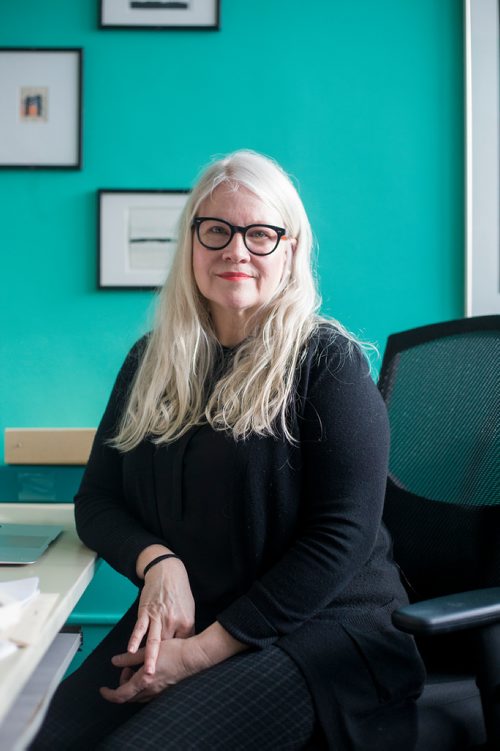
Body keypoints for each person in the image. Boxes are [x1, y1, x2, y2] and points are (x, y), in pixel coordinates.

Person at [31, 150, 425, 751]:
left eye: (260, 234)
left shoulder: (328, 363)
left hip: (323, 632)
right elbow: (97, 499)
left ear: (290, 250)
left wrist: (197, 657)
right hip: (194, 614)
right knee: (39, 737)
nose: (235, 250)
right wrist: (157, 563)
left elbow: (340, 537)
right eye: (216, 230)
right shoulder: (151, 361)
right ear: (191, 242)